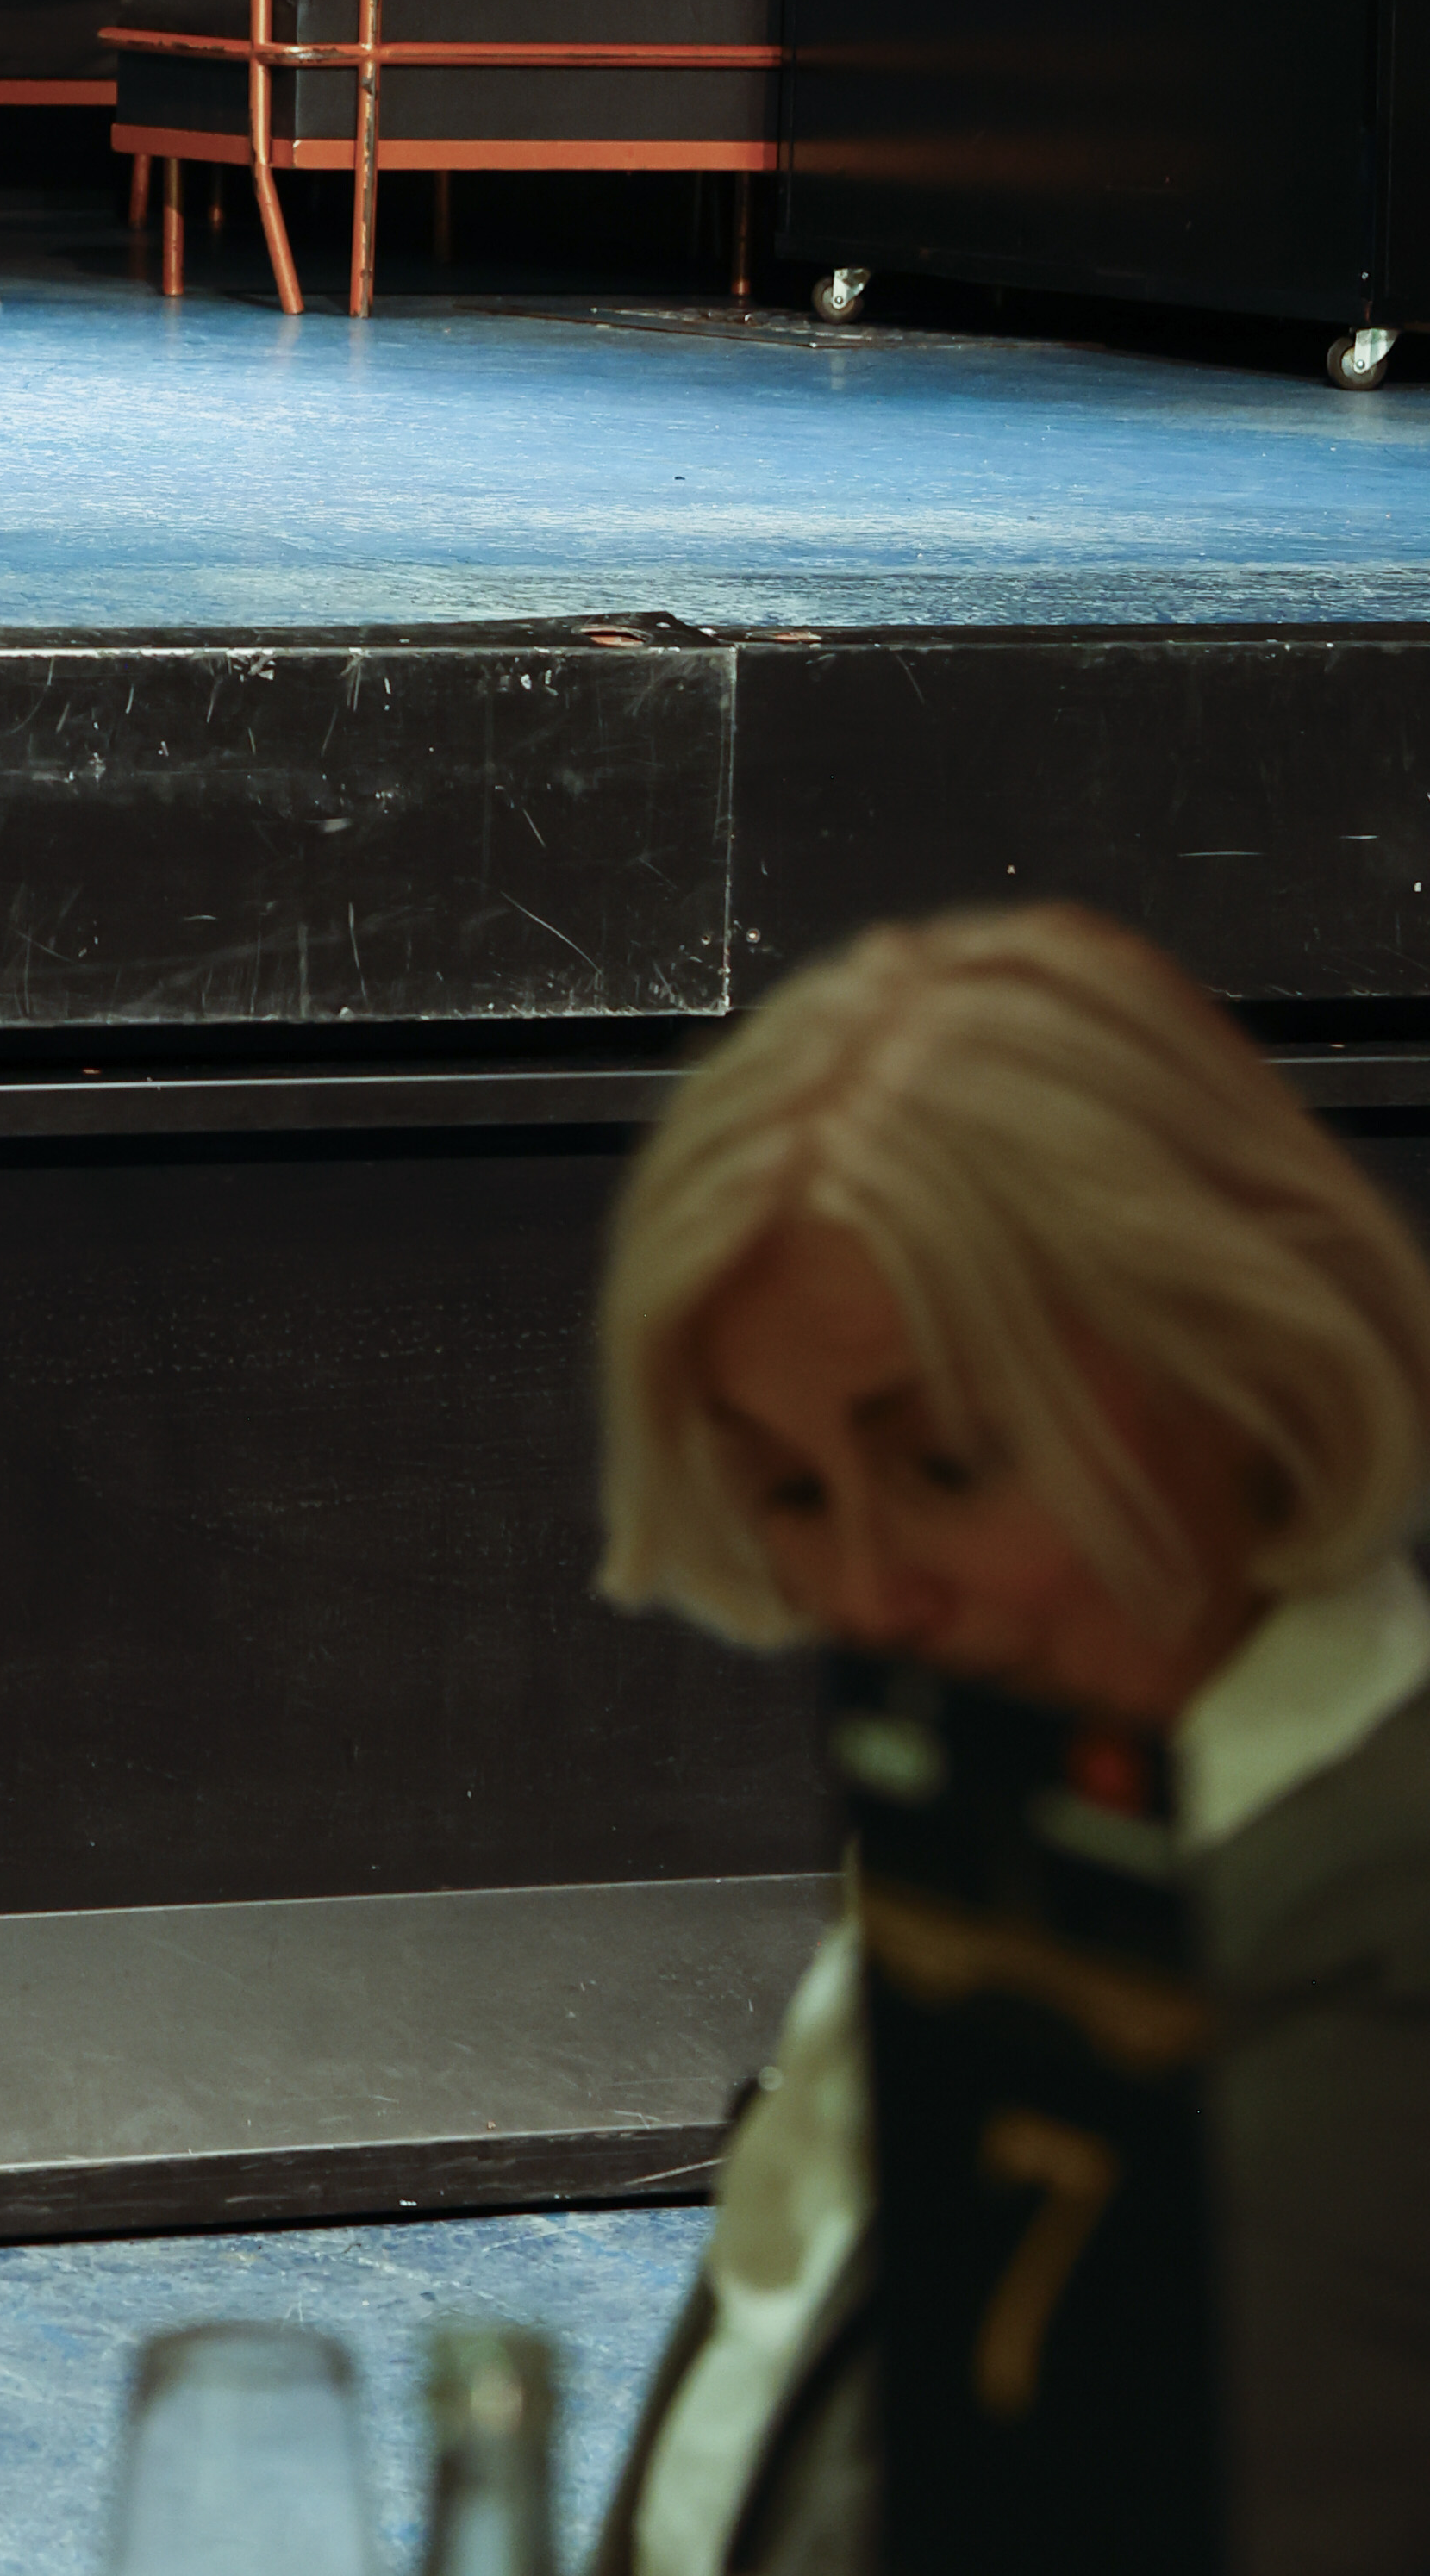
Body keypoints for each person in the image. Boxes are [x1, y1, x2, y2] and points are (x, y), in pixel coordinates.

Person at [588, 901, 1430, 2576]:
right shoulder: (1044, 1814)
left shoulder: (1360, 2020)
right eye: (788, 1490)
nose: (859, 1594)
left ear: (1226, 1367)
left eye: (947, 1466)